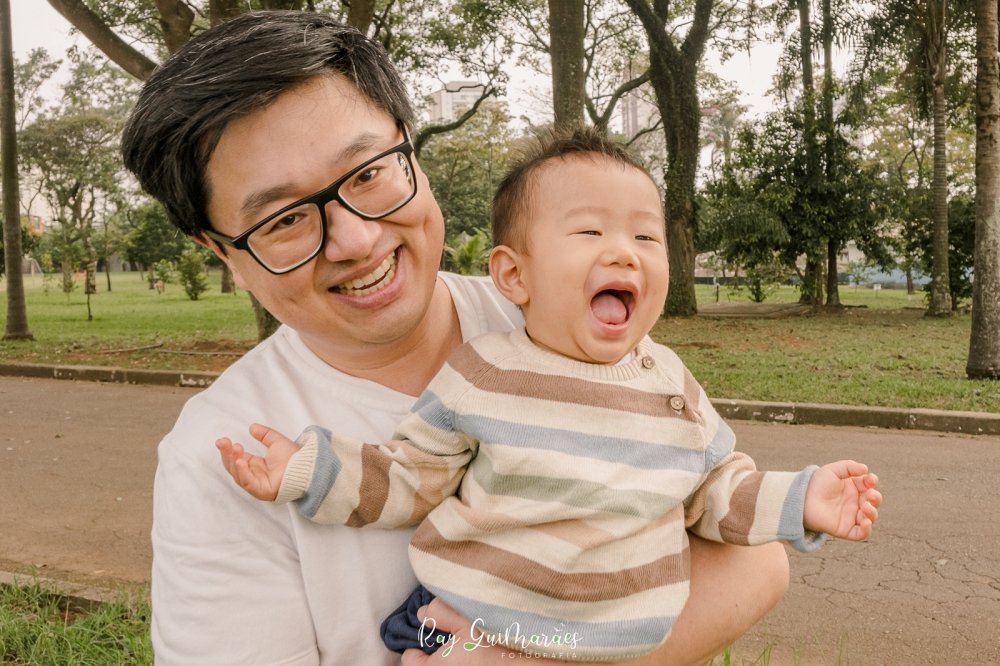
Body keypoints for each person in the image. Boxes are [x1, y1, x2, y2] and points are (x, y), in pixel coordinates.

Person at [121, 9, 801, 666]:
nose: (356, 240)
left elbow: (751, 556)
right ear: (221, 251)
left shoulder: (556, 322)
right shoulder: (224, 458)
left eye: (368, 173)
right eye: (286, 219)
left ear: (411, 149)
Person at [215, 128, 882, 662]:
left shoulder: (670, 384)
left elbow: (715, 490)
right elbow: (410, 477)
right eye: (590, 233)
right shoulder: (486, 374)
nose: (624, 253)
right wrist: (306, 469)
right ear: (514, 275)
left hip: (608, 641)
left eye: (645, 237)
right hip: (473, 623)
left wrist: (803, 499)